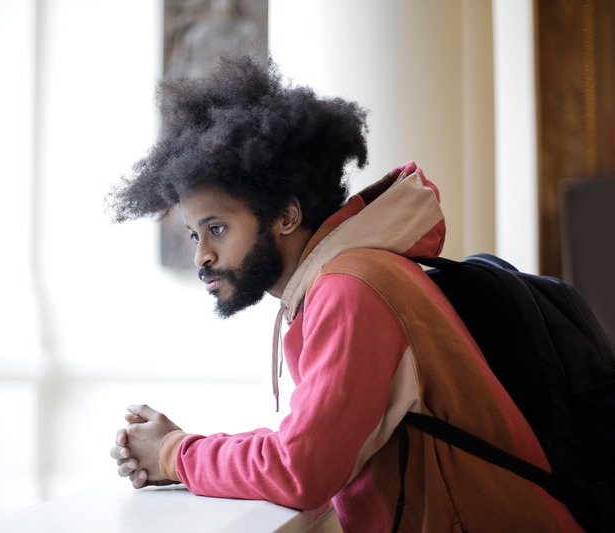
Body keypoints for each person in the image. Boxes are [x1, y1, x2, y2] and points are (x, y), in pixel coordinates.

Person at [106, 56, 583, 532]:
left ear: (286, 216)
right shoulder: (349, 277)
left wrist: (174, 453)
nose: (202, 256)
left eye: (216, 228)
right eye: (194, 235)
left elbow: (302, 468)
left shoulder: (351, 287)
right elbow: (312, 444)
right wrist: (180, 446)